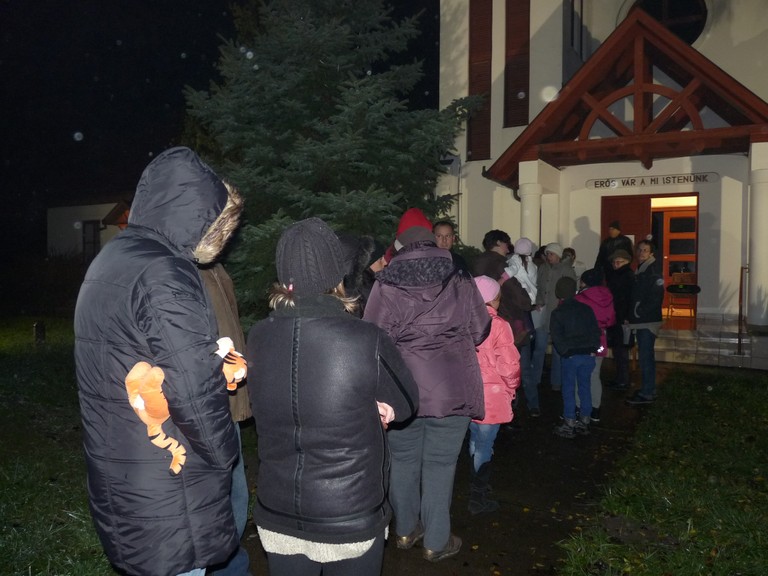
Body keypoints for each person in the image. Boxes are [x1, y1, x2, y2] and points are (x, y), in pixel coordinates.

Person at [74, 147, 244, 576]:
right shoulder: (164, 271)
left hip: (123, 470)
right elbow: (193, 385)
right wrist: (226, 452)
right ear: (197, 213)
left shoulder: (111, 259)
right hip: (169, 483)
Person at [246, 217, 419, 576]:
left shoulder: (259, 336)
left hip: (278, 513)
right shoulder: (365, 338)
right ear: (337, 274)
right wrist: (377, 404)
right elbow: (406, 404)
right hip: (349, 515)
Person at [363, 207, 490, 563]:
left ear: (399, 243)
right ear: (431, 239)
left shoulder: (386, 281)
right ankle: (436, 540)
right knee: (440, 465)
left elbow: (372, 338)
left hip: (402, 393)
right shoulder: (459, 275)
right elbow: (481, 329)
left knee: (402, 461)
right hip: (452, 390)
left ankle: (405, 530)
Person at [200, 262, 253, 576]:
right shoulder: (184, 267)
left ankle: (231, 565)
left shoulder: (213, 266)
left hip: (227, 402)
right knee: (222, 496)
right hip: (207, 407)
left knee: (235, 493)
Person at [468, 276, 521, 514]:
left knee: (474, 439)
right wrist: (512, 387)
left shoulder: (461, 321)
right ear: (493, 299)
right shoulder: (498, 325)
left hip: (468, 394)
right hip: (492, 395)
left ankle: (476, 481)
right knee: (485, 444)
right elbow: (509, 365)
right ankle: (478, 495)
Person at [550, 277, 601, 438]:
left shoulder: (558, 312)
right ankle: (585, 420)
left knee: (569, 389)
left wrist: (565, 352)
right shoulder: (586, 309)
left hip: (570, 356)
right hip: (587, 354)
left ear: (559, 293)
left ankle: (569, 421)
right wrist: (593, 349)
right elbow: (595, 330)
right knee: (585, 386)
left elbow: (557, 336)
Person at [532, 242, 577, 393]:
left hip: (558, 314)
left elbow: (571, 290)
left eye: (551, 254)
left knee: (558, 350)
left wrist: (563, 306)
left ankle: (556, 381)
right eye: (547, 254)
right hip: (543, 313)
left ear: (558, 255)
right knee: (539, 347)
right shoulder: (543, 268)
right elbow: (538, 287)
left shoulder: (566, 269)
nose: (548, 257)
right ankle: (535, 379)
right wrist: (539, 301)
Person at [625, 238, 665, 405]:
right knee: (646, 356)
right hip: (642, 320)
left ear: (651, 253)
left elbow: (656, 296)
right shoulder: (642, 269)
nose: (641, 253)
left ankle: (647, 393)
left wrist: (639, 311)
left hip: (647, 321)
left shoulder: (652, 271)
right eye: (640, 250)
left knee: (645, 357)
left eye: (645, 250)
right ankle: (649, 389)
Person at [574, 268, 615, 423]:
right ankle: (595, 408)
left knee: (580, 374)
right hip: (600, 339)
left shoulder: (581, 298)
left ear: (585, 282)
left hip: (583, 340)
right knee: (595, 374)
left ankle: (579, 406)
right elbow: (611, 320)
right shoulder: (607, 296)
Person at [504, 237, 540, 416]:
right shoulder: (533, 266)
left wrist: (498, 282)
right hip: (526, 318)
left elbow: (508, 274)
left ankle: (512, 404)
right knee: (526, 366)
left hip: (513, 317)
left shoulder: (513, 262)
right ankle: (533, 404)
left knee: (511, 365)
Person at [605, 249, 635, 391]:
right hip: (615, 316)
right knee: (618, 350)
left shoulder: (628, 276)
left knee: (621, 350)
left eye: (619, 262)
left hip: (623, 318)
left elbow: (630, 298)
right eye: (614, 262)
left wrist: (628, 317)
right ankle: (619, 378)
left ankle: (623, 380)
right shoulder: (615, 275)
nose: (616, 264)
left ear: (626, 262)